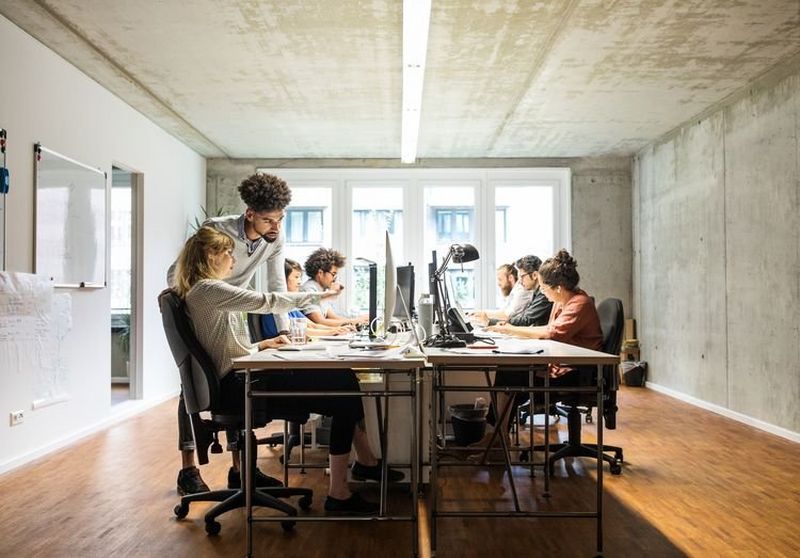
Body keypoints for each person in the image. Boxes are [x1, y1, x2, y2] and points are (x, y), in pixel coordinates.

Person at [175, 226, 401, 514]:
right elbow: (267, 301)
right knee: (344, 386)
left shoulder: (202, 292)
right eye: (227, 253)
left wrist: (264, 344)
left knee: (343, 382)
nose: (233, 259)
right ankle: (341, 492)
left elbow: (226, 351)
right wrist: (320, 297)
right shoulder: (209, 289)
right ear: (210, 255)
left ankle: (362, 467)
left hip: (237, 381)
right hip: (240, 387)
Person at [169, 172, 295, 496]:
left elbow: (276, 286)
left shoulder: (274, 239)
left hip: (237, 307)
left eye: (279, 219)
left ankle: (242, 471)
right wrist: (191, 313)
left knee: (239, 381)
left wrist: (286, 330)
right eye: (268, 220)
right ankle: (188, 470)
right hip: (199, 304)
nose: (276, 227)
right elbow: (180, 270)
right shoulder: (217, 228)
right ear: (249, 214)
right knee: (194, 382)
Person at [480, 249, 603, 444]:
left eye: (545, 289)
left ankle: (496, 439)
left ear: (559, 288)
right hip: (561, 365)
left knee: (510, 374)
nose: (544, 295)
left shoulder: (579, 304)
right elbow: (549, 328)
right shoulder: (564, 301)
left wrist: (511, 329)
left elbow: (550, 333)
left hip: (575, 373)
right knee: (507, 370)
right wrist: (513, 332)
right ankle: (497, 436)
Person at [258, 258, 352, 339]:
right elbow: (296, 332)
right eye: (296, 277)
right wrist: (331, 332)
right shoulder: (274, 305)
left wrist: (337, 329)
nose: (299, 282)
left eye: (300, 277)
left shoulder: (291, 305)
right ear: (282, 279)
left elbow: (312, 325)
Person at [300, 248, 367, 328]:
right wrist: (355, 321)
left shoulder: (321, 290)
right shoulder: (309, 290)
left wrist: (357, 320)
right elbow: (319, 321)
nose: (335, 278)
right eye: (333, 274)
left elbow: (333, 317)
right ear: (320, 273)